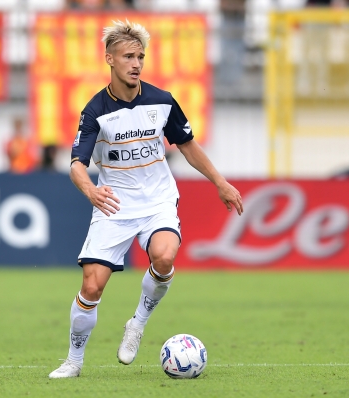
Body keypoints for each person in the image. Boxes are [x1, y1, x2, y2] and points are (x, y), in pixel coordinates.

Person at [48, 20, 244, 379]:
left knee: (164, 256)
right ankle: (73, 362)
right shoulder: (94, 111)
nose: (136, 63)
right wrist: (91, 190)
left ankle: (137, 323)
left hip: (157, 202)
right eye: (128, 56)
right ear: (109, 59)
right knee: (91, 286)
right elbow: (77, 164)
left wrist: (220, 182)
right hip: (115, 206)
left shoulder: (162, 101)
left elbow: (187, 146)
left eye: (140, 56)